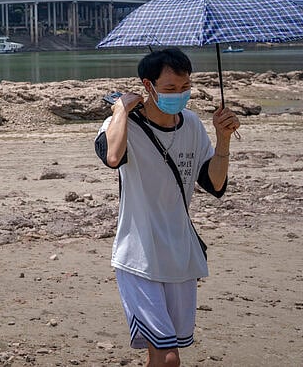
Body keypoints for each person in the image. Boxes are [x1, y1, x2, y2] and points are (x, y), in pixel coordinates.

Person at [94, 48, 240, 367]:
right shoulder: (124, 124)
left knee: (161, 356)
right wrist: (120, 109)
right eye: (171, 88)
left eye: (185, 86)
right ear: (148, 85)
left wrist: (223, 139)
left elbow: (215, 184)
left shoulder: (192, 124)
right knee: (169, 357)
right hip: (139, 256)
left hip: (181, 257)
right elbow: (113, 157)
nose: (180, 94)